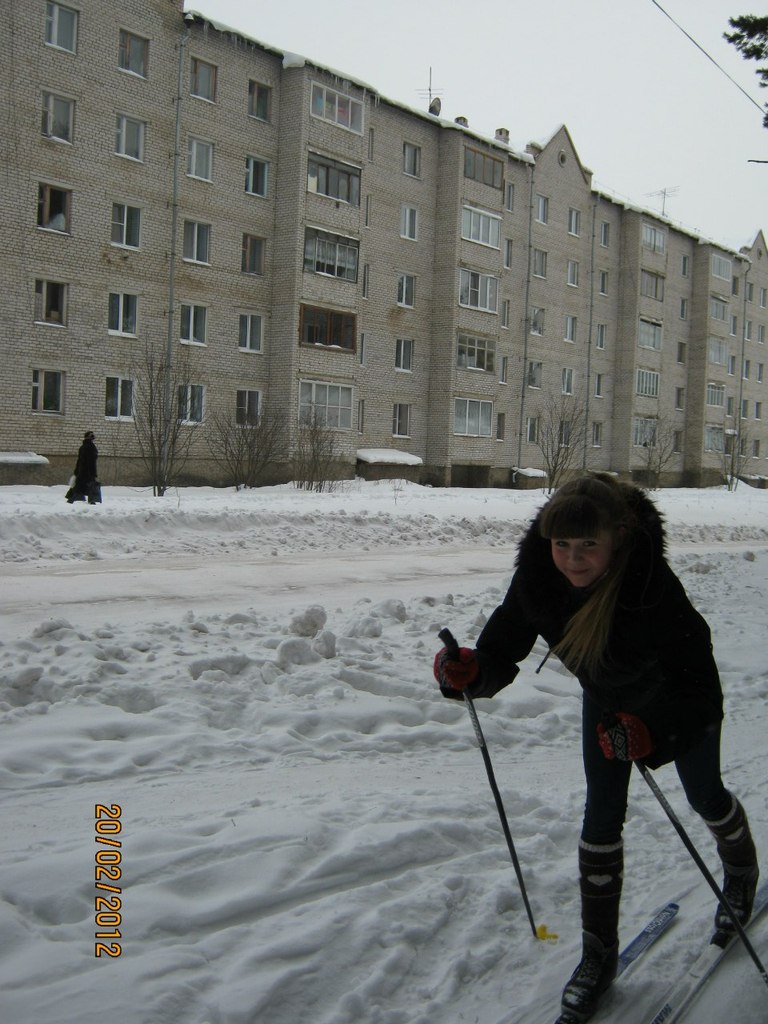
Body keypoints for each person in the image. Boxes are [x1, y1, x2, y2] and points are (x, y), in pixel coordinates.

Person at [434, 473, 758, 1022]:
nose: (573, 559)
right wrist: (470, 670)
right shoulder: (539, 578)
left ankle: (742, 873)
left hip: (670, 703)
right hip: (607, 704)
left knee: (704, 795)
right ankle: (597, 955)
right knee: (601, 818)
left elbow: (700, 690)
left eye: (588, 545)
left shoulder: (653, 590)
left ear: (620, 537)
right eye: (562, 544)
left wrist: (654, 731)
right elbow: (502, 645)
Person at [66, 430, 101, 505]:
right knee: (89, 486)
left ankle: (72, 499)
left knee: (80, 486)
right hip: (88, 471)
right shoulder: (91, 447)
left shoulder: (83, 447)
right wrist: (92, 473)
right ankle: (90, 501)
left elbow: (79, 461)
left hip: (82, 471)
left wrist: (77, 471)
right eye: (92, 436)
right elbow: (91, 462)